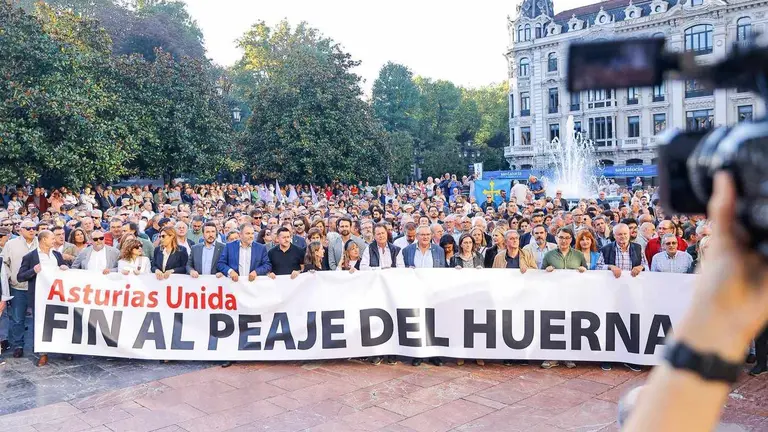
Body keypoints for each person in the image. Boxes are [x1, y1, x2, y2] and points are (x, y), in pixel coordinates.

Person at [16, 230, 69, 366]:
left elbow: (64, 271)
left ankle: (63, 349)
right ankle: (43, 354)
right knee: (40, 324)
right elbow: (20, 277)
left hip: (57, 296)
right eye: (52, 238)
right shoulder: (30, 257)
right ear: (44, 239)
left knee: (60, 322)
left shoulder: (57, 255)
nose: (55, 240)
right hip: (39, 297)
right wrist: (33, 271)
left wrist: (64, 267)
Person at [397, 225, 446, 367]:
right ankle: (417, 354)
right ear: (417, 236)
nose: (425, 237)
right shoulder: (407, 250)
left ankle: (433, 354)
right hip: (414, 292)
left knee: (433, 322)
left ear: (431, 236)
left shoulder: (439, 251)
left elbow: (442, 270)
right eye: (422, 235)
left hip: (432, 292)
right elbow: (402, 270)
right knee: (417, 322)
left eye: (428, 234)